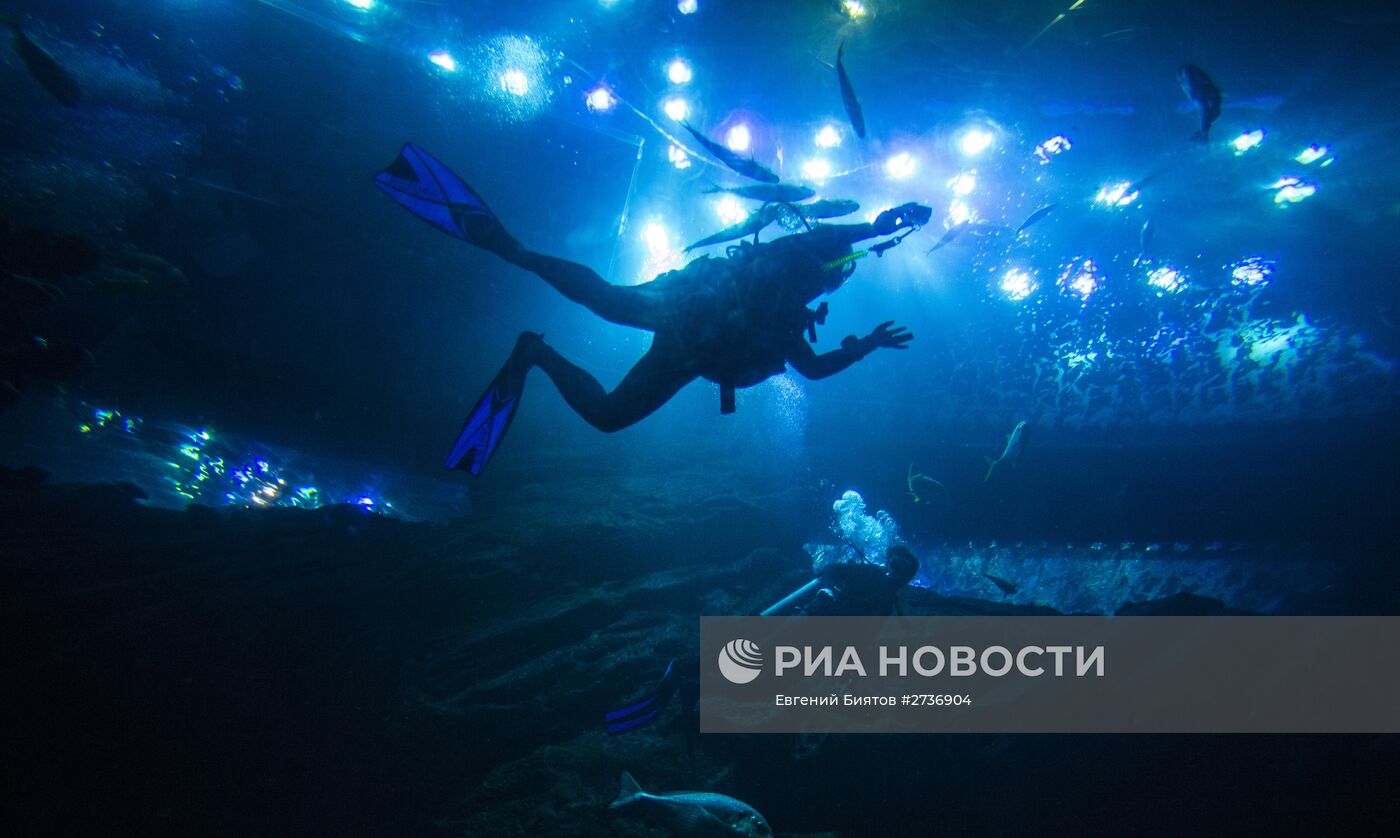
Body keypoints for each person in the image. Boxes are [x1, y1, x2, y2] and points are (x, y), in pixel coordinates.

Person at [375, 143, 930, 474]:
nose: (828, 285)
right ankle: (515, 256)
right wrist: (888, 223)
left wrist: (865, 347)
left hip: (688, 348)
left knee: (610, 408)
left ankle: (534, 350)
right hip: (691, 308)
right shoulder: (792, 266)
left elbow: (810, 367)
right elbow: (849, 238)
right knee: (608, 302)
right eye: (833, 278)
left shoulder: (791, 313)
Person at [763, 545, 921, 617]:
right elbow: (833, 567)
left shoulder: (890, 600)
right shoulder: (872, 574)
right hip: (818, 615)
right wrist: (828, 588)